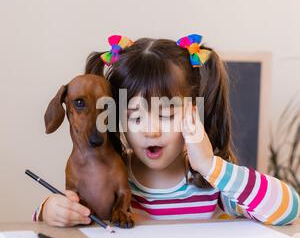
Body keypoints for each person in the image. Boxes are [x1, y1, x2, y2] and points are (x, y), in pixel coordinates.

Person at [34, 34, 299, 227]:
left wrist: (208, 165)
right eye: (135, 117)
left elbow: (289, 208)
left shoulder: (213, 186)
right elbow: (59, 218)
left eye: (167, 114)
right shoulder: (110, 178)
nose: (150, 131)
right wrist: (50, 210)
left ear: (194, 114)